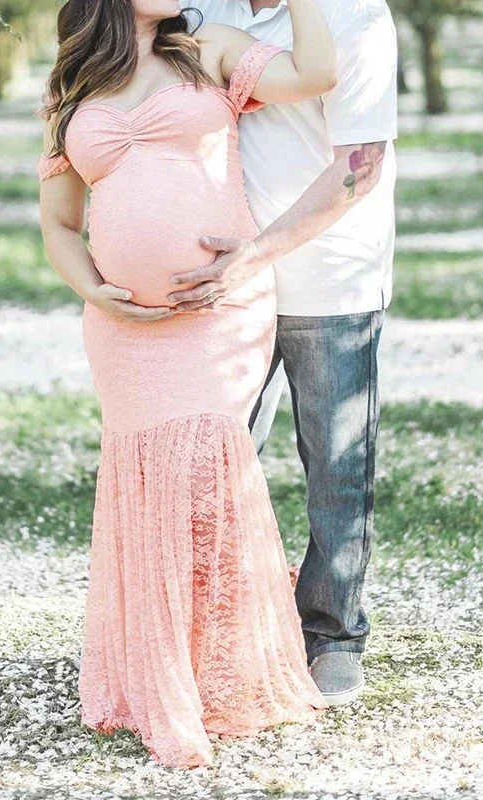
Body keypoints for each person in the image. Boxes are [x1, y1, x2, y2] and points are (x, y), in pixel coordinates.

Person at [38, 0, 337, 768]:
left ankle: (224, 673)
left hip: (218, 311)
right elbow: (60, 223)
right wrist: (94, 290)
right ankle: (160, 680)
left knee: (203, 472)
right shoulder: (72, 83)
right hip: (123, 331)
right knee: (147, 488)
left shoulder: (206, 51)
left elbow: (316, 74)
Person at [167, 0, 399, 706]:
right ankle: (205, 630)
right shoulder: (203, 10)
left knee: (335, 464)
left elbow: (359, 164)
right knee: (206, 455)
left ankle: (333, 636)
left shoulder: (357, 17)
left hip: (330, 279)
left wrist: (257, 255)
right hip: (224, 282)